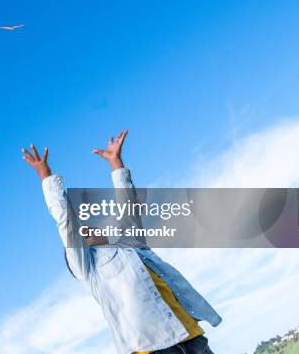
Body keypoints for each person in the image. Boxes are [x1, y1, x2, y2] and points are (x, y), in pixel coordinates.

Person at [22, 130, 221, 354]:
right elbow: (66, 222)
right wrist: (45, 175)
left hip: (190, 334)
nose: (85, 230)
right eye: (83, 236)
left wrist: (116, 164)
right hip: (151, 347)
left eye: (87, 228)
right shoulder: (89, 269)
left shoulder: (129, 242)